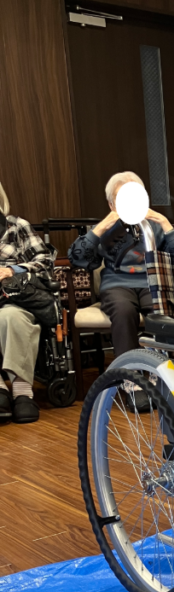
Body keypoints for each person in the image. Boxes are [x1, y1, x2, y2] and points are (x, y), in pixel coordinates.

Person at [68, 171, 174, 408]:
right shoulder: (105, 229)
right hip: (117, 285)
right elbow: (78, 258)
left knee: (160, 308)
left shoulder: (154, 226)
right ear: (112, 203)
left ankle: (159, 374)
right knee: (124, 312)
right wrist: (105, 224)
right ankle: (131, 381)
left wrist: (165, 223)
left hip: (151, 282)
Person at [0, 181, 54, 423]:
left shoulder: (16, 226)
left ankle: (22, 391)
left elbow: (45, 261)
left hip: (16, 298)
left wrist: (13, 269)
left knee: (10, 317)